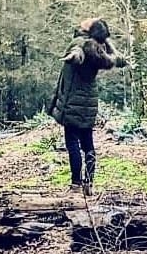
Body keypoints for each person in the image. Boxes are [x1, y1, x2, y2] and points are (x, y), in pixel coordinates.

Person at [48, 17, 127, 195]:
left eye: (90, 21)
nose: (86, 20)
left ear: (90, 30)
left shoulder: (82, 44)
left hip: (73, 103)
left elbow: (78, 51)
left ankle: (76, 184)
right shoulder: (100, 49)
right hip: (89, 103)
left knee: (72, 144)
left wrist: (74, 56)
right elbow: (114, 58)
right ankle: (89, 183)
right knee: (88, 144)